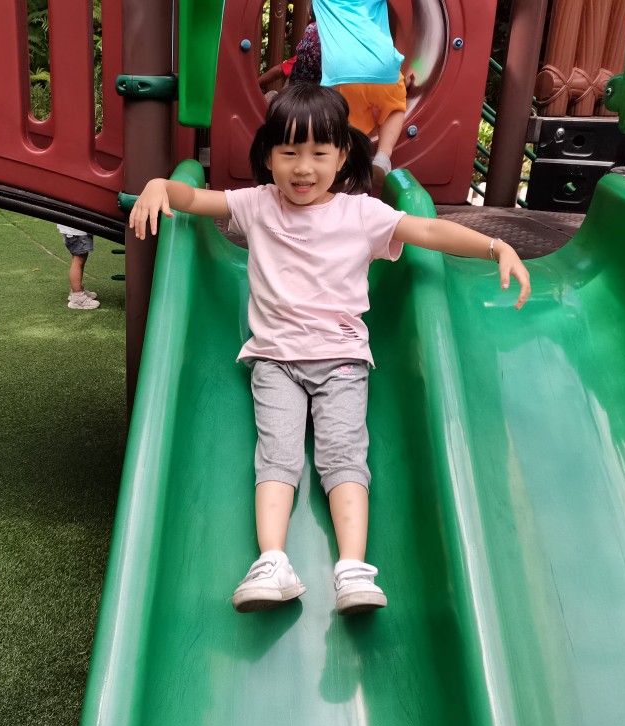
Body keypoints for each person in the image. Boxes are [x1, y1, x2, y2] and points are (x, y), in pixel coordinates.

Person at [129, 84, 531, 615]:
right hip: (274, 360)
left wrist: (496, 246)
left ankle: (353, 568)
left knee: (343, 457)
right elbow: (196, 200)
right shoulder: (257, 204)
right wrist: (159, 185)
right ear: (268, 157)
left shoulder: (360, 214)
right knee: (276, 456)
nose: (303, 168)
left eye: (319, 153)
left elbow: (429, 230)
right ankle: (272, 560)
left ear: (342, 156)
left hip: (341, 361)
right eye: (289, 152)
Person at [314, 0, 411, 190]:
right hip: (383, 65)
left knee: (348, 123)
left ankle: (350, 173)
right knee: (394, 108)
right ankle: (383, 157)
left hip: (341, 72)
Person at [56, 224, 100, 310]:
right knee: (78, 259)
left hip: (75, 230)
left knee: (81, 257)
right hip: (75, 231)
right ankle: (77, 298)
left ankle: (77, 289)